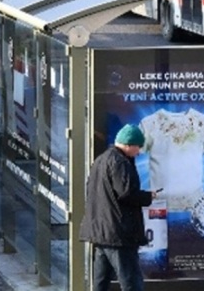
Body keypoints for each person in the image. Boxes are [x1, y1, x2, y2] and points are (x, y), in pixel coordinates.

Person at [79, 124, 155, 291]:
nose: (139, 151)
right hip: (118, 233)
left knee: (101, 281)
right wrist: (148, 196)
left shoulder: (101, 160)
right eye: (138, 147)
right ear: (129, 145)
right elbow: (126, 193)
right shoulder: (120, 162)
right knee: (131, 280)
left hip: (101, 231)